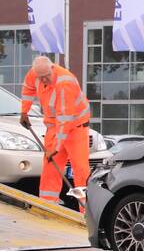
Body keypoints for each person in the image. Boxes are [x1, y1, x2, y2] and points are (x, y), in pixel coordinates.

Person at [19, 56, 91, 209]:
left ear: (52, 69)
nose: (44, 80)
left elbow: (65, 120)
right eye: (41, 78)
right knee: (50, 168)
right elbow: (28, 88)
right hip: (53, 127)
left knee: (80, 171)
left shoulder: (65, 83)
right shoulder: (35, 74)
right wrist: (24, 111)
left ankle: (86, 212)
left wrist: (56, 148)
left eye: (46, 77)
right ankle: (47, 206)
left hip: (76, 128)